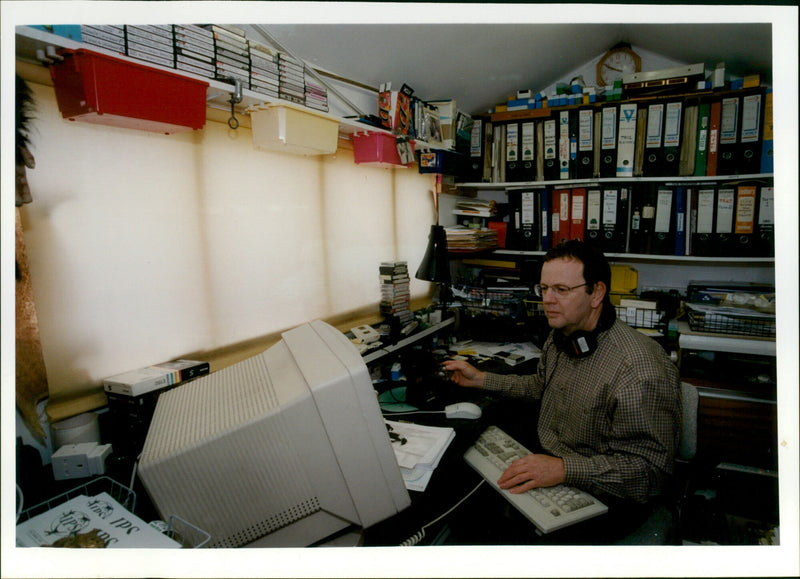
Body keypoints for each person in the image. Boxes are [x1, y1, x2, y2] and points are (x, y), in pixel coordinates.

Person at [443, 240, 681, 542]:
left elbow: (650, 474)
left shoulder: (639, 370)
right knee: (464, 494)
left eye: (561, 290)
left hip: (608, 497)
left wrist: (565, 469)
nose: (548, 300)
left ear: (596, 293)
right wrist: (480, 379)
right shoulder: (564, 336)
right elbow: (540, 386)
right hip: (558, 468)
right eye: (543, 289)